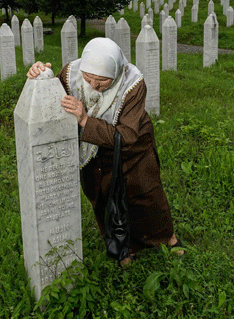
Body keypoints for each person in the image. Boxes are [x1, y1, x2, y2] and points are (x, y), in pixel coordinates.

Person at [27, 37, 182, 266]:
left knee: (145, 194)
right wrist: (40, 74)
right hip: (93, 150)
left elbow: (126, 135)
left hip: (133, 150)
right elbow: (50, 94)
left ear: (116, 72)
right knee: (103, 197)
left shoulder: (133, 85)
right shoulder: (71, 73)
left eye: (101, 81)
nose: (93, 86)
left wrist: (85, 120)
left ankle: (166, 237)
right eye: (88, 78)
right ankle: (124, 246)